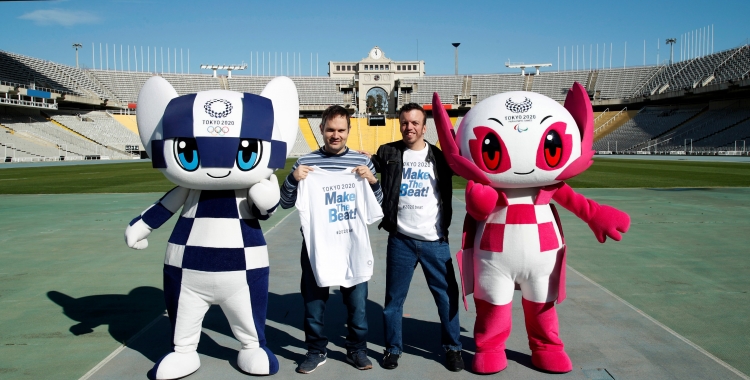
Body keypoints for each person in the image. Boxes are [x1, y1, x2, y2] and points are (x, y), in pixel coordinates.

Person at [280, 105, 383, 374]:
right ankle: (315, 350)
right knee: (314, 305)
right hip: (317, 246)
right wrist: (293, 178)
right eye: (330, 130)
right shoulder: (306, 164)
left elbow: (379, 205)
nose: (335, 135)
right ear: (321, 130)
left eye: (340, 130)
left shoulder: (361, 164)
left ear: (349, 131)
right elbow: (285, 203)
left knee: (358, 306)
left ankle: (357, 349)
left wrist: (372, 181)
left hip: (352, 245)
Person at [369, 103, 464, 371]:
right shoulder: (389, 152)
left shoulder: (441, 157)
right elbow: (367, 165)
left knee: (447, 299)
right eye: (404, 123)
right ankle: (393, 348)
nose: (408, 127)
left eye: (414, 123)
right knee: (393, 300)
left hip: (435, 241)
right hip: (401, 241)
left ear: (424, 127)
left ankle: (453, 347)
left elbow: (470, 167)